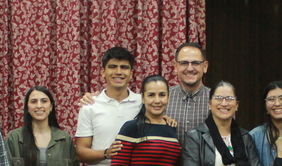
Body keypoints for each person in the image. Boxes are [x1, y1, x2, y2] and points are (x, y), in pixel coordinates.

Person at [78, 42, 210, 143]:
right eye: (184, 63)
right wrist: (94, 97)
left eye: (196, 63)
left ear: (205, 66)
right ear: (175, 66)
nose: (190, 68)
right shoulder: (158, 98)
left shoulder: (217, 101)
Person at [110, 75, 182, 166]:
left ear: (168, 97)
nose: (157, 100)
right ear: (143, 98)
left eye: (162, 95)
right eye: (151, 95)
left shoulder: (172, 129)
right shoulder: (132, 127)